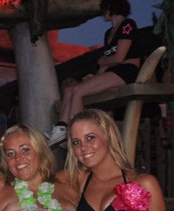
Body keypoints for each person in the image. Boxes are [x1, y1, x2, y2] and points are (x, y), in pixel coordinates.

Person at [49, 0, 140, 147]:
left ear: (110, 8)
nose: (102, 14)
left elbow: (119, 58)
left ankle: (76, 133)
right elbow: (107, 64)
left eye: (104, 9)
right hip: (112, 71)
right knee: (70, 90)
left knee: (78, 91)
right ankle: (60, 129)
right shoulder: (108, 33)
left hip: (126, 70)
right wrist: (96, 76)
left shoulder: (127, 25)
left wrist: (102, 60)